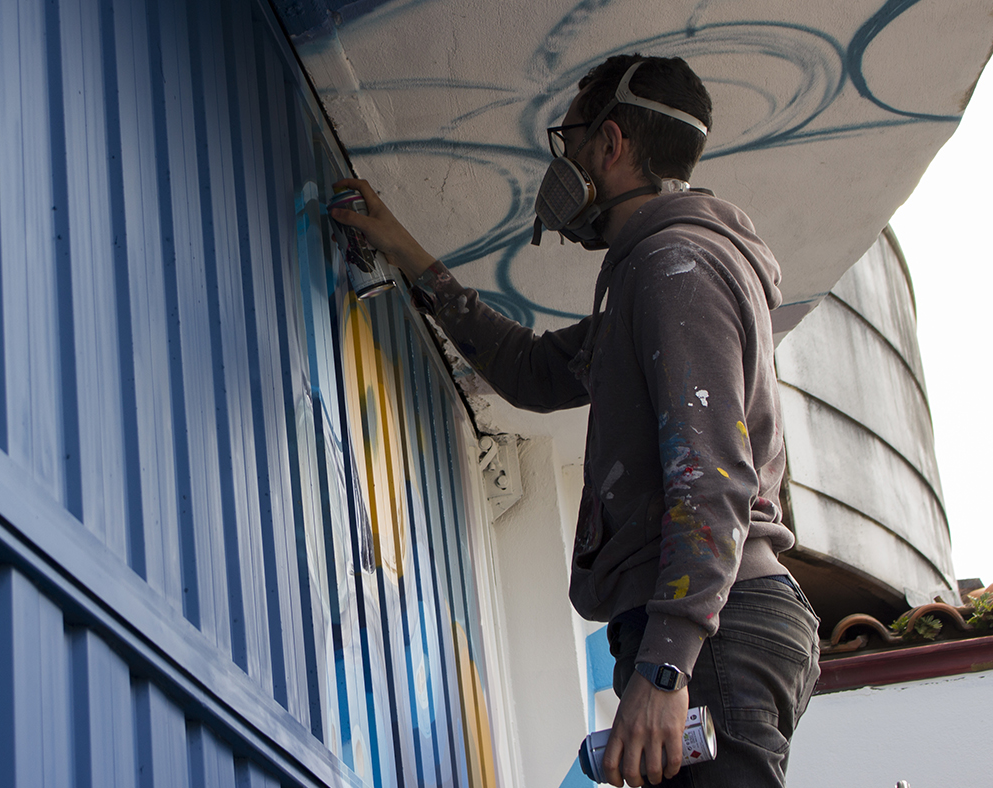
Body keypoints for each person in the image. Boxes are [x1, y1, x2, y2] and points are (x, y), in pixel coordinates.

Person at [331, 54, 820, 788]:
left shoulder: (675, 263)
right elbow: (532, 370)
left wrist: (664, 667)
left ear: (612, 145)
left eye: (576, 141)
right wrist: (410, 255)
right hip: (705, 624)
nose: (568, 163)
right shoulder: (652, 273)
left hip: (710, 626)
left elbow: (710, 478)